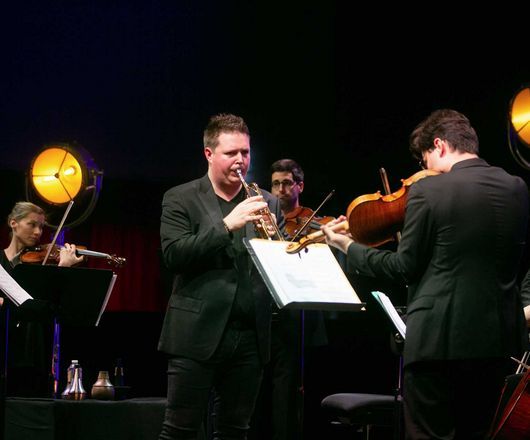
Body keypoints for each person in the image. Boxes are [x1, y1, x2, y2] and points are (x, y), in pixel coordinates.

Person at [321, 109, 529, 439]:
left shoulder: (428, 191)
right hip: (498, 342)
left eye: (424, 160)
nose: (425, 170)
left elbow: (403, 268)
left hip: (437, 343)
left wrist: (348, 246)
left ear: (439, 145)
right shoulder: (516, 188)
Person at [158, 113, 282, 440]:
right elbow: (174, 255)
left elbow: (276, 263)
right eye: (231, 153)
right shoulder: (180, 197)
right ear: (209, 154)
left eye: (245, 152)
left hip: (250, 337)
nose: (240, 161)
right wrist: (228, 224)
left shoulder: (267, 201)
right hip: (196, 334)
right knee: (179, 431)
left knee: (235, 432)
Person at [248, 159, 327, 440]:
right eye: (275, 184)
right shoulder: (258, 217)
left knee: (288, 393)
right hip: (262, 315)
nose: (280, 189)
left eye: (286, 183)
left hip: (295, 319)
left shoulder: (312, 222)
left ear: (299, 186)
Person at [1, 201, 83, 397]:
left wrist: (63, 269)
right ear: (14, 223)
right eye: (32, 224)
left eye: (41, 226)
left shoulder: (39, 266)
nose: (38, 232)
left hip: (32, 349)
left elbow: (49, 306)